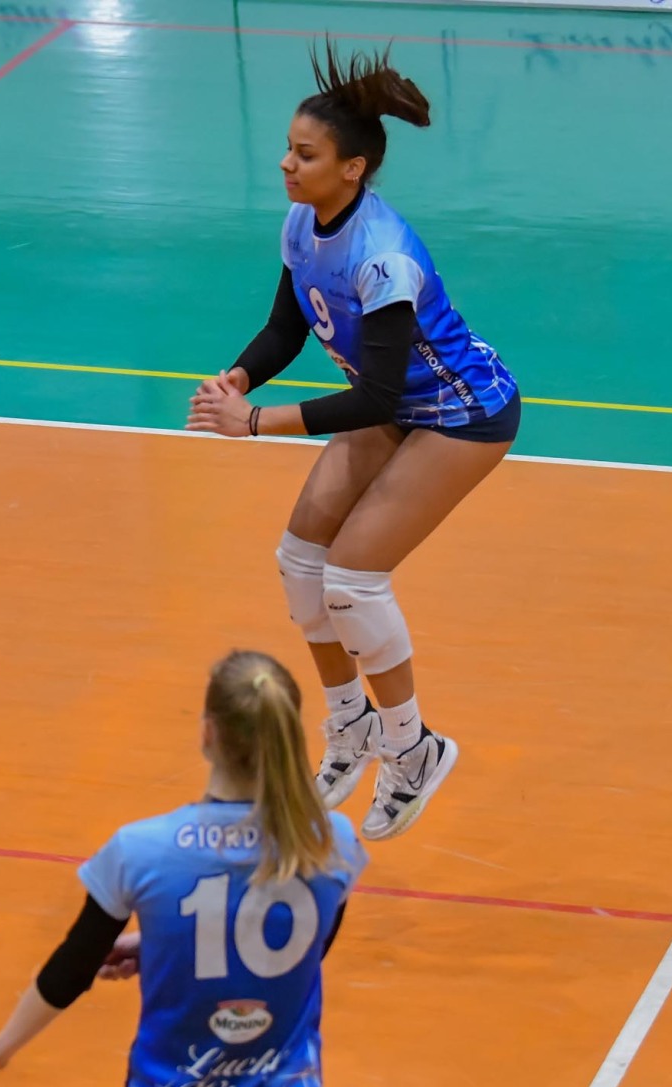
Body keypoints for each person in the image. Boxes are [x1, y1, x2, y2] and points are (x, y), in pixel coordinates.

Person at [186, 44, 521, 842]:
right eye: (289, 149)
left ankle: (414, 750)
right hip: (395, 405)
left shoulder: (383, 257)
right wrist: (238, 380)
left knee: (353, 581)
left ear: (353, 168)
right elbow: (286, 327)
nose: (286, 165)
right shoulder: (303, 222)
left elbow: (376, 396)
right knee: (299, 564)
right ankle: (352, 728)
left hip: (461, 414)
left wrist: (255, 424)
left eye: (305, 155)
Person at [0, 651, 367, 1087]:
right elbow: (306, 947)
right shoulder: (332, 842)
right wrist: (167, 942)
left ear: (207, 733)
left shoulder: (143, 850)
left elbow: (73, 966)